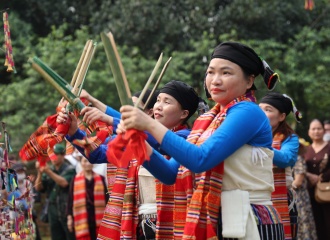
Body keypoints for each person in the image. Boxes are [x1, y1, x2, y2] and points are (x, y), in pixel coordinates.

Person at [118, 41, 284, 239]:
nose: (215, 80)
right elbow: (170, 174)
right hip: (215, 217)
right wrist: (138, 142)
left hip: (251, 220)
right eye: (211, 72)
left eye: (226, 73)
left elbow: (200, 159)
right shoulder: (205, 122)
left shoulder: (248, 112)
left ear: (249, 81)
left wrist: (148, 124)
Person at [57, 82, 200, 239]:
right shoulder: (140, 139)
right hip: (139, 224)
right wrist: (74, 133)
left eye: (167, 102)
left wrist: (111, 119)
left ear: (184, 114)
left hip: (170, 225)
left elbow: (161, 144)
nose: (159, 106)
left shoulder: (187, 138)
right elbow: (98, 153)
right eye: (158, 100)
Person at [259, 92, 300, 240]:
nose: (262, 114)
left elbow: (286, 159)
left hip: (281, 199)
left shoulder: (290, 138)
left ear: (281, 116)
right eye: (260, 109)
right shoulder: (249, 135)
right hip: (255, 199)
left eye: (268, 110)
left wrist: (261, 146)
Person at [34, 143, 76, 240]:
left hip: (66, 207)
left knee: (70, 235)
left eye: (56, 154)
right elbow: (38, 188)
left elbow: (64, 183)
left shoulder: (70, 169)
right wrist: (40, 173)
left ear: (63, 155)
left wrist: (48, 172)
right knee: (56, 235)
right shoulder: (49, 169)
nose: (53, 157)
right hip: (52, 208)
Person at [66, 156, 108, 240]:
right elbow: (70, 200)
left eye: (90, 161)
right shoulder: (75, 179)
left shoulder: (100, 178)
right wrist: (69, 218)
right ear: (81, 163)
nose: (88, 164)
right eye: (85, 161)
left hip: (98, 216)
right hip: (82, 216)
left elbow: (107, 199)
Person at [304, 119, 330, 240]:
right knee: (315, 222)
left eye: (319, 128)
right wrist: (309, 176)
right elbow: (300, 168)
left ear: (324, 130)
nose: (316, 131)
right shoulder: (305, 150)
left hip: (327, 191)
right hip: (310, 192)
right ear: (309, 132)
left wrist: (322, 177)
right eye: (313, 129)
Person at [292, 138, 318, 240]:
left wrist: (286, 189)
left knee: (302, 224)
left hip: (299, 198)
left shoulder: (297, 159)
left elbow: (298, 182)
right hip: (296, 196)